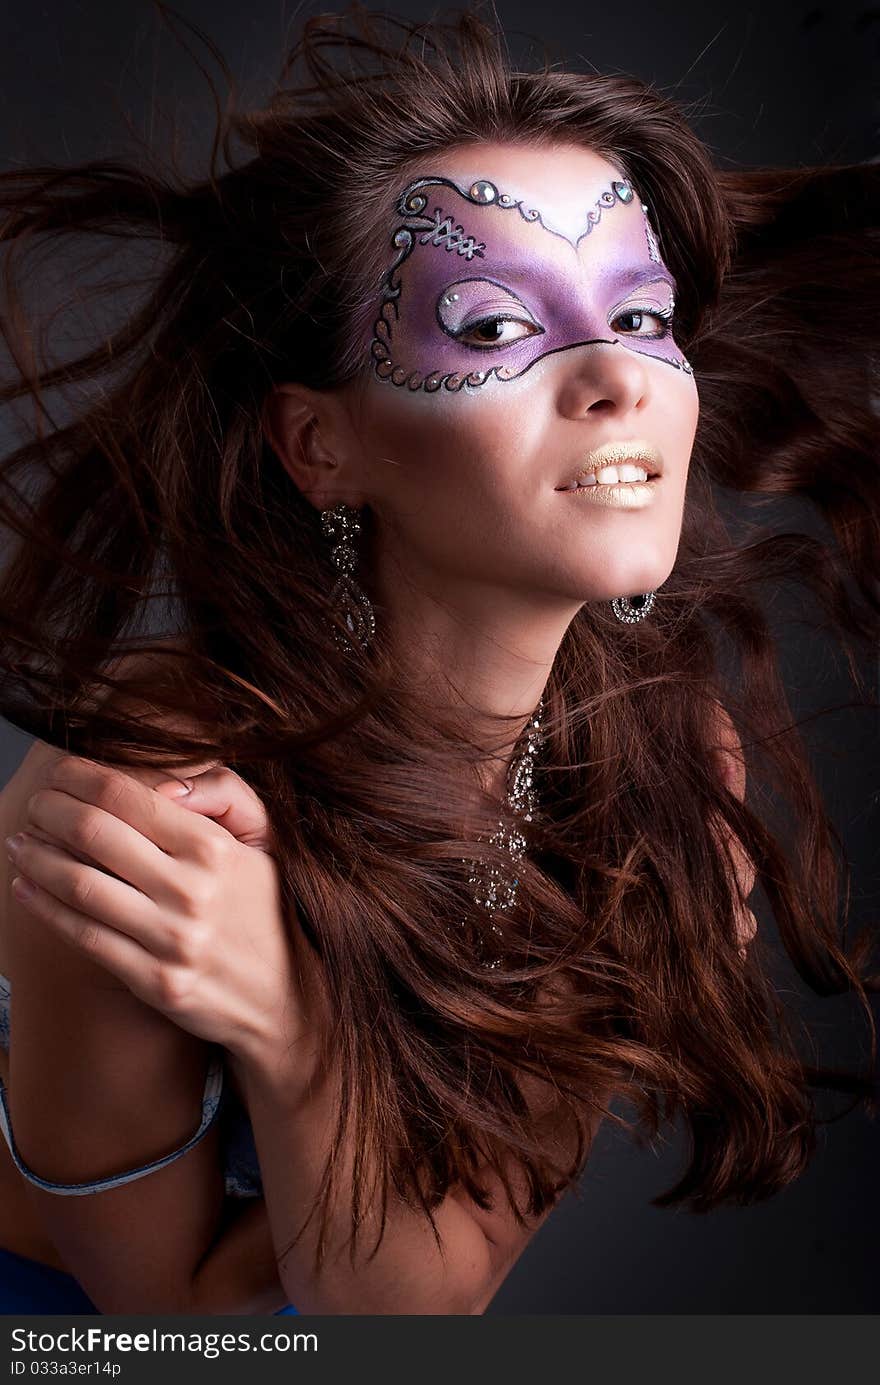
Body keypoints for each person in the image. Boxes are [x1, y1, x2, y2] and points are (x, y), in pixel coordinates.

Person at [0, 2, 877, 1315]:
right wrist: (336, 1140)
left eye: (640, 316)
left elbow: (424, 1300)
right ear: (319, 445)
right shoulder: (161, 794)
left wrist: (287, 1023)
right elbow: (175, 1320)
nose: (619, 379)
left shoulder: (664, 763)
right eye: (486, 327)